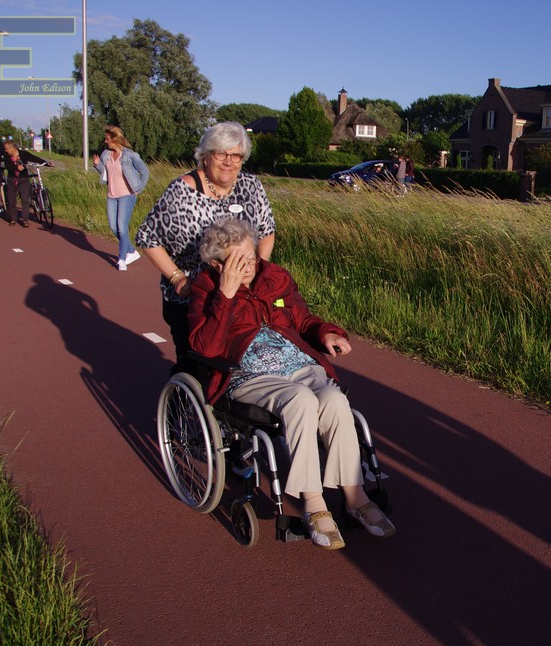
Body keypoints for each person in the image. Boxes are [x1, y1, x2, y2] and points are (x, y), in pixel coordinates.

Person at [188, 219, 395, 549]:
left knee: (335, 400)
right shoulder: (205, 288)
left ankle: (355, 498)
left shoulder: (275, 277)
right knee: (300, 399)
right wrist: (225, 296)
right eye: (238, 261)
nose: (249, 266)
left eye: (251, 257)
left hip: (299, 366)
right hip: (250, 376)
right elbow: (206, 347)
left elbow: (303, 320)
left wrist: (327, 334)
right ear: (217, 265)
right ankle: (314, 504)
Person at [136, 121, 276, 375]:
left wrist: (258, 270)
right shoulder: (181, 192)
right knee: (196, 366)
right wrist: (177, 278)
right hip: (195, 298)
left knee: (240, 363)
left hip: (240, 296)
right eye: (220, 153)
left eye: (236, 155)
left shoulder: (251, 186)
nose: (228, 162)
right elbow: (147, 238)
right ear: (206, 155)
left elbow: (267, 232)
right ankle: (181, 394)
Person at [93, 126, 150, 271]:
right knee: (114, 228)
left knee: (122, 228)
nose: (105, 141)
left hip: (127, 196)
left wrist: (138, 189)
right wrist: (96, 165)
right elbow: (105, 173)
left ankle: (122, 259)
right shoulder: (106, 154)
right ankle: (131, 251)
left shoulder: (130, 155)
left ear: (115, 139)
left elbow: (145, 172)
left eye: (107, 139)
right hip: (111, 196)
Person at [1, 140, 49, 227]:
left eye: (7, 149)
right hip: (12, 179)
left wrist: (47, 163)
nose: (6, 150)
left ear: (12, 148)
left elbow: (34, 158)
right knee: (11, 200)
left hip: (23, 179)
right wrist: (16, 167)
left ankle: (25, 220)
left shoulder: (23, 154)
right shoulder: (6, 156)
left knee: (25, 200)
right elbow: (7, 166)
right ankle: (13, 219)